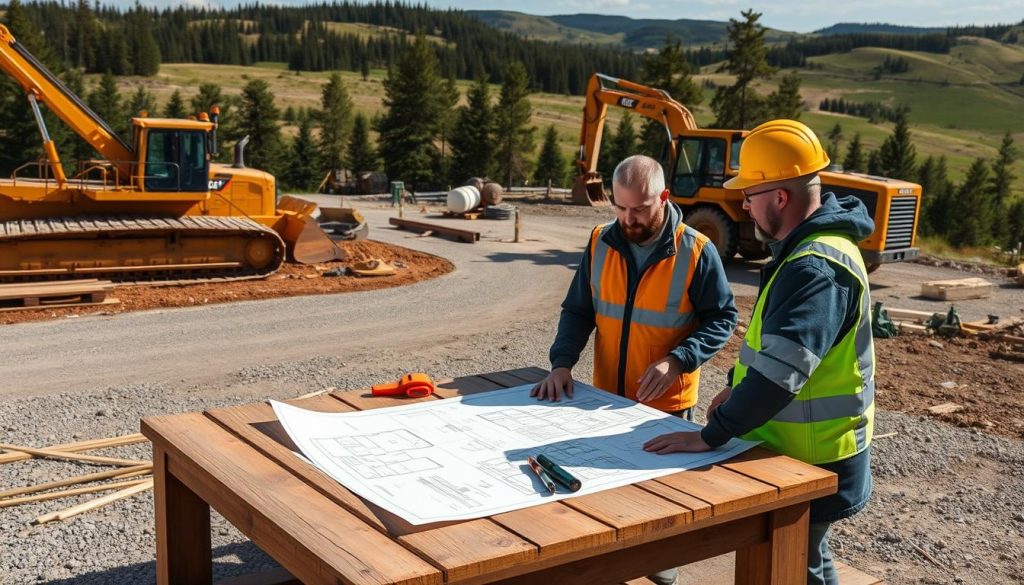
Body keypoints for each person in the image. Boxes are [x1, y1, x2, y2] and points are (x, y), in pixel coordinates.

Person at [642, 120, 875, 585]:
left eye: (750, 194)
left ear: (781, 198)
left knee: (792, 567)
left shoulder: (815, 267)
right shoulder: (811, 250)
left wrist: (712, 435)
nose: (743, 205)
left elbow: (780, 373)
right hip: (804, 451)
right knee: (809, 559)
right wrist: (733, 389)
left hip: (812, 457)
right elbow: (772, 351)